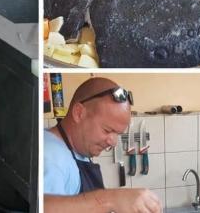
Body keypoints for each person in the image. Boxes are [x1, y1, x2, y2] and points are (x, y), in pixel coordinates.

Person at [43, 78, 163, 213]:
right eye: (107, 130)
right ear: (79, 113)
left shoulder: (79, 150)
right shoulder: (49, 155)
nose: (113, 142)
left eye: (117, 134)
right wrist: (111, 199)